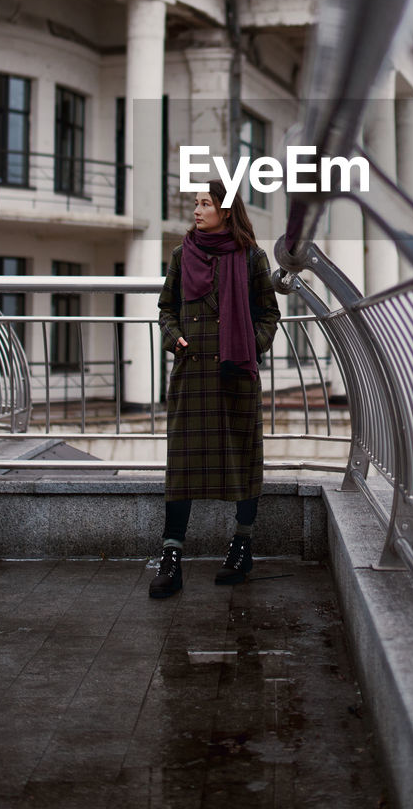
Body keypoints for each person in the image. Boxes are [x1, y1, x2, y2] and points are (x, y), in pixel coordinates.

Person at [149, 181, 281, 598]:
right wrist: (175, 339)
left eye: (206, 203)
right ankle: (171, 556)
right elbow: (166, 309)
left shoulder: (251, 258)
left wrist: (249, 345)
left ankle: (241, 547)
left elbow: (269, 314)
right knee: (182, 464)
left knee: (243, 460)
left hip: (236, 374)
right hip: (192, 374)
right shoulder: (180, 254)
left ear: (226, 210)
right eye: (196, 204)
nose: (197, 210)